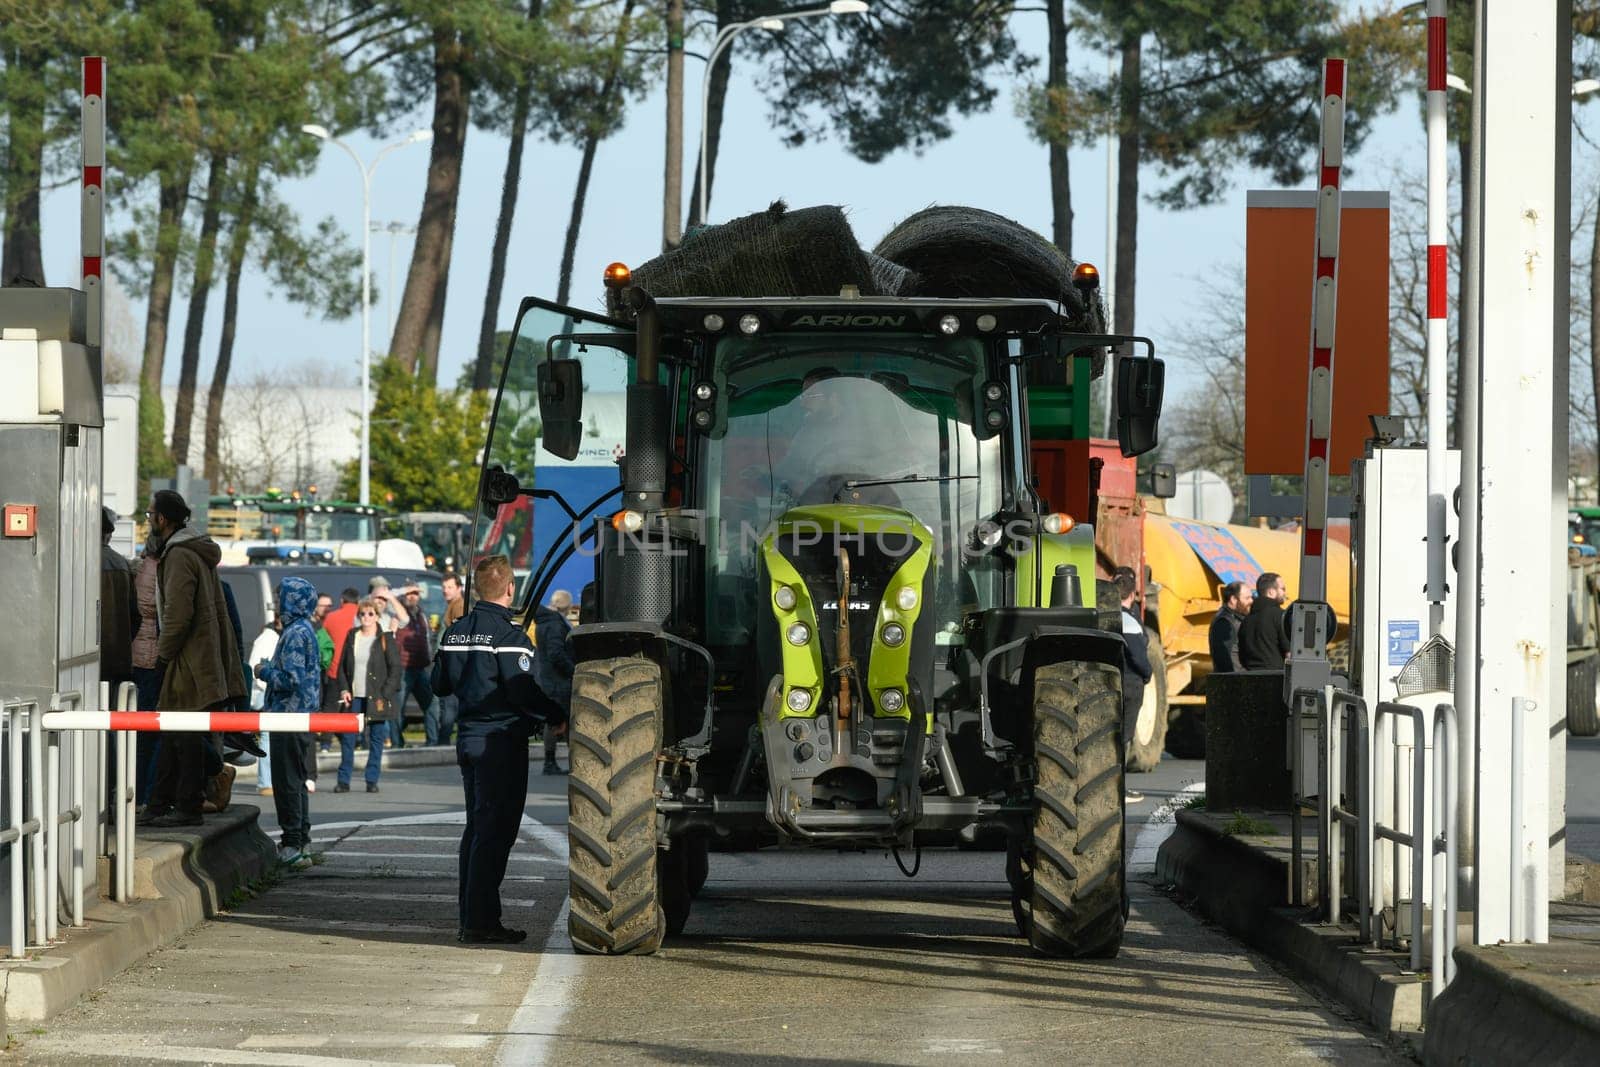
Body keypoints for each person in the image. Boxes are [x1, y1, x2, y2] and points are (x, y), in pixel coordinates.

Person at [432, 554, 567, 944]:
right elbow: (522, 689)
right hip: (501, 743)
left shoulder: (455, 632)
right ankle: (480, 923)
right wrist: (555, 713)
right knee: (494, 833)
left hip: (468, 739)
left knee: (476, 829)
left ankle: (470, 917)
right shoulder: (510, 638)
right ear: (510, 588)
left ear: (476, 589)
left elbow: (439, 684)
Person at [138, 490, 247, 827]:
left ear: (163, 519)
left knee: (182, 735)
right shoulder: (191, 551)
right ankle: (160, 804)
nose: (148, 520)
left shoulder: (179, 555)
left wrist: (163, 657)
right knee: (175, 733)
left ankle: (188, 805)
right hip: (199, 659)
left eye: (150, 514)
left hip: (189, 662)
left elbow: (178, 615)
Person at [256, 577, 321, 866]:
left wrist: (264, 671)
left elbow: (291, 679)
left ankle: (292, 844)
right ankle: (301, 841)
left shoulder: (295, 633)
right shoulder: (306, 629)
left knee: (287, 782)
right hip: (300, 716)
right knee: (297, 780)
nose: (278, 602)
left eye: (281, 596)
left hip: (289, 716)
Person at [335, 597, 401, 792]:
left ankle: (372, 780)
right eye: (362, 614)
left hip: (377, 698)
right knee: (348, 739)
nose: (366, 617)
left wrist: (385, 693)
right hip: (354, 697)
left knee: (376, 738)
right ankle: (343, 781)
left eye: (370, 613)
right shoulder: (352, 635)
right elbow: (342, 667)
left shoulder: (385, 638)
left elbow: (396, 669)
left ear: (377, 616)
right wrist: (344, 689)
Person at [129, 541, 165, 803]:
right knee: (149, 735)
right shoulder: (156, 569)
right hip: (151, 658)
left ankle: (139, 794)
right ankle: (145, 795)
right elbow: (151, 612)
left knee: (141, 733)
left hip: (138, 656)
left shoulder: (141, 568)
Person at [1116, 572, 1153, 799]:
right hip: (1130, 683)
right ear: (1132, 595)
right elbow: (1139, 658)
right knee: (1124, 736)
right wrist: (1147, 674)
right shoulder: (1129, 621)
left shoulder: (1100, 617)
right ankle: (1119, 786)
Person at [533, 594, 575, 776]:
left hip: (547, 676)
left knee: (557, 720)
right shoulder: (556, 624)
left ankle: (551, 761)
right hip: (559, 679)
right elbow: (556, 653)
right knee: (564, 721)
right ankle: (560, 762)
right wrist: (573, 670)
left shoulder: (543, 622)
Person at [100, 507, 136, 701]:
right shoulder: (122, 564)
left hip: (89, 658)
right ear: (109, 534)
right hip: (117, 657)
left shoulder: (80, 561)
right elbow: (135, 614)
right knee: (112, 717)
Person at [396, 584, 436, 749]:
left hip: (420, 668)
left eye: (416, 594)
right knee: (398, 708)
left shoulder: (421, 614)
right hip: (403, 668)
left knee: (431, 704)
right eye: (410, 594)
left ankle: (432, 742)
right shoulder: (398, 614)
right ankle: (397, 743)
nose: (413, 597)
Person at [248, 612, 281, 795]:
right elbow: (258, 667)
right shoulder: (268, 639)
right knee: (267, 736)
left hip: (264, 691)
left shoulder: (268, 638)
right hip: (265, 692)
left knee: (268, 736)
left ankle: (267, 781)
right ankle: (266, 782)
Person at [1239, 571, 1292, 670]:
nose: (1285, 593)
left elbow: (1242, 657)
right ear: (1271, 592)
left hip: (1250, 679)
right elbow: (1290, 654)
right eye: (1282, 589)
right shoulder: (1281, 616)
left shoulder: (1245, 621)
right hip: (1276, 679)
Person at [1208, 580, 1254, 674]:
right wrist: (1243, 679)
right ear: (1233, 599)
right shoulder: (1224, 622)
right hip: (1235, 681)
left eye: (1251, 597)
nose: (1251, 601)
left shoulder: (1237, 618)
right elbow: (1228, 658)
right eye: (1247, 598)